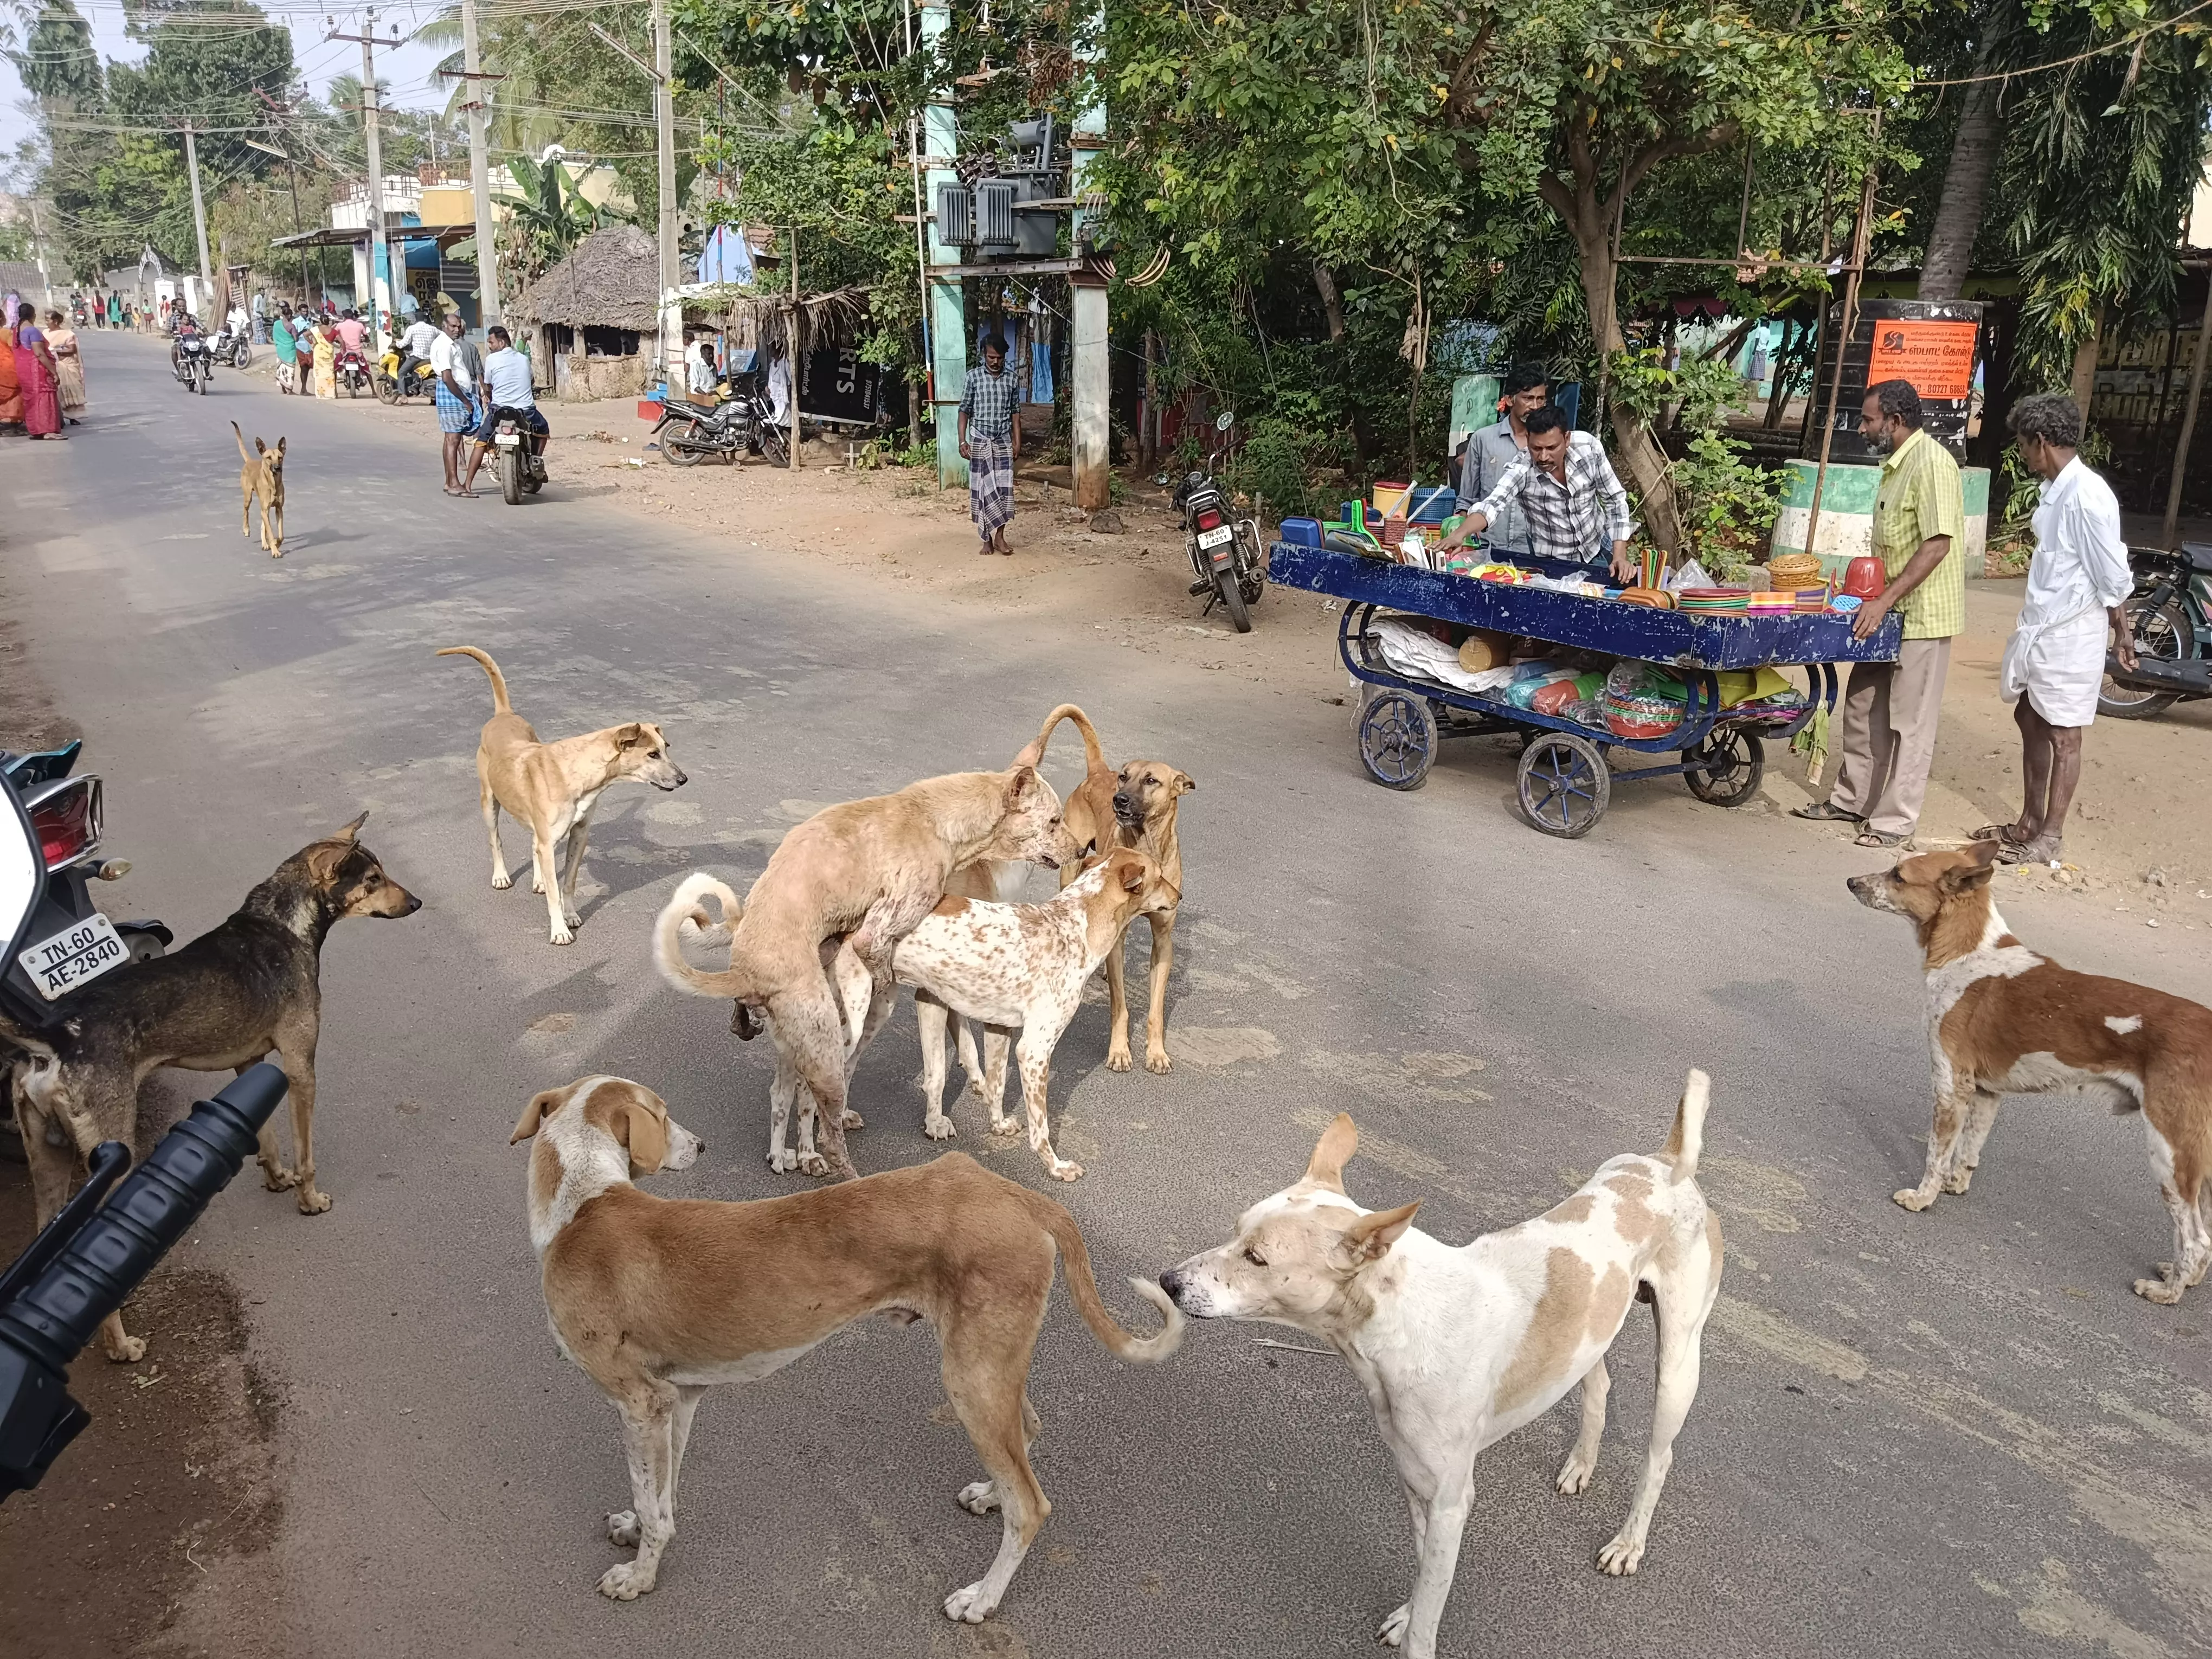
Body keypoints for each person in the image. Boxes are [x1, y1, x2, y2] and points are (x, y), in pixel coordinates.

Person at [1792, 379, 1966, 848]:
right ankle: (1852, 801)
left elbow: (1938, 544)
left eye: (1869, 419)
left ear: (1895, 419)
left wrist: (1885, 599)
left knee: (1909, 723)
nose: (1863, 427)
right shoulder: (1896, 467)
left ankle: (1894, 822)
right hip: (1883, 612)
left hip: (1921, 616)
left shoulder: (1932, 464)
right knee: (1863, 703)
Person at [1973, 392, 2136, 867]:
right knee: (2030, 716)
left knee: (2065, 735)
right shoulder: (2058, 488)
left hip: (2072, 633)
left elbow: (2112, 574)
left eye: (2024, 444)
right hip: (2045, 626)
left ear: (2042, 441)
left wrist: (2122, 633)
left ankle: (2051, 836)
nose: (2022, 454)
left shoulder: (2087, 496)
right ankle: (2029, 821)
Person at [1440, 404, 1634, 579]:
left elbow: (1615, 500)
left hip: (1598, 548)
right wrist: (1459, 534)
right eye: (1536, 448)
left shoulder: (1588, 448)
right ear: (1528, 440)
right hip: (1553, 561)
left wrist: (1619, 556)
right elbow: (1492, 505)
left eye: (1552, 448)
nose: (1543, 457)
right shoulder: (1521, 468)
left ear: (1567, 439)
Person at [1451, 363, 1550, 557]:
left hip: (1535, 553)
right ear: (1509, 400)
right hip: (1486, 548)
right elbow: (1466, 500)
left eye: (1541, 399)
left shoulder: (1550, 445)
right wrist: (1460, 537)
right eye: (1528, 398)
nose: (1535, 406)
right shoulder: (1483, 439)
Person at [459, 325, 549, 497]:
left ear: (501, 342)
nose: (490, 345)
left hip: (499, 410)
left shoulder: (492, 360)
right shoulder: (523, 359)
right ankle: (537, 459)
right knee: (543, 429)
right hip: (526, 410)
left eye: (491, 342)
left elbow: (489, 386)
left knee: (481, 441)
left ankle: (468, 484)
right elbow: (530, 380)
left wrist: (490, 395)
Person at [958, 334, 1021, 555]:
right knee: (982, 492)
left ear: (1005, 357)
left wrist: (1017, 442)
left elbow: (1015, 413)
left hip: (1003, 441)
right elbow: (964, 410)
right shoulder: (973, 378)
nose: (995, 362)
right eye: (991, 357)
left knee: (1004, 491)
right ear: (984, 354)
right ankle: (986, 539)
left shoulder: (1013, 380)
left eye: (1000, 358)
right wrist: (962, 441)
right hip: (979, 441)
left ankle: (1000, 537)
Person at [429, 310, 484, 495]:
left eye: (459, 326)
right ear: (444, 326)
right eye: (453, 326)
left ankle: (449, 481)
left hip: (454, 392)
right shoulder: (445, 345)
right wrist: (465, 401)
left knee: (450, 440)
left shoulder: (450, 344)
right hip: (453, 393)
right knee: (454, 440)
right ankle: (454, 484)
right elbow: (447, 376)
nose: (457, 329)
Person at [14, 304, 66, 440]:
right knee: (45, 398)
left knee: (31, 400)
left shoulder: (16, 330)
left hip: (23, 371)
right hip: (36, 371)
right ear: (33, 315)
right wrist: (53, 372)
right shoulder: (33, 331)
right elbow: (39, 354)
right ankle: (48, 431)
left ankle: (36, 430)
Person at [44, 308, 85, 421]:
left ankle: (73, 417)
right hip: (51, 365)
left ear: (56, 321)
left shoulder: (67, 334)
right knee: (56, 392)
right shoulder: (44, 333)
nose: (46, 322)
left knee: (69, 389)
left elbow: (71, 349)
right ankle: (58, 417)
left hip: (66, 365)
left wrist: (56, 350)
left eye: (48, 320)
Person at [400, 309, 442, 391]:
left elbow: (404, 343)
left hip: (417, 358)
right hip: (430, 358)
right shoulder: (433, 329)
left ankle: (403, 397)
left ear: (416, 319)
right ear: (425, 319)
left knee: (401, 373)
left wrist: (397, 344)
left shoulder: (412, 328)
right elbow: (443, 335)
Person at [272, 304, 299, 394]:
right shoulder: (291, 326)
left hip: (280, 349)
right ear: (290, 316)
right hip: (290, 350)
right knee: (290, 369)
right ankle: (290, 390)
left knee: (282, 368)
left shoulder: (276, 324)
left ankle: (283, 389)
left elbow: (274, 336)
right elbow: (296, 339)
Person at [310, 314, 338, 398]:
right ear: (328, 321)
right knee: (329, 373)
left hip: (318, 353)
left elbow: (305, 335)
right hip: (328, 354)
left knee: (320, 374)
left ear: (320, 321)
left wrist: (312, 344)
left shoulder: (316, 330)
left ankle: (320, 394)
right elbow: (342, 341)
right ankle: (330, 394)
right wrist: (343, 349)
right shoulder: (333, 331)